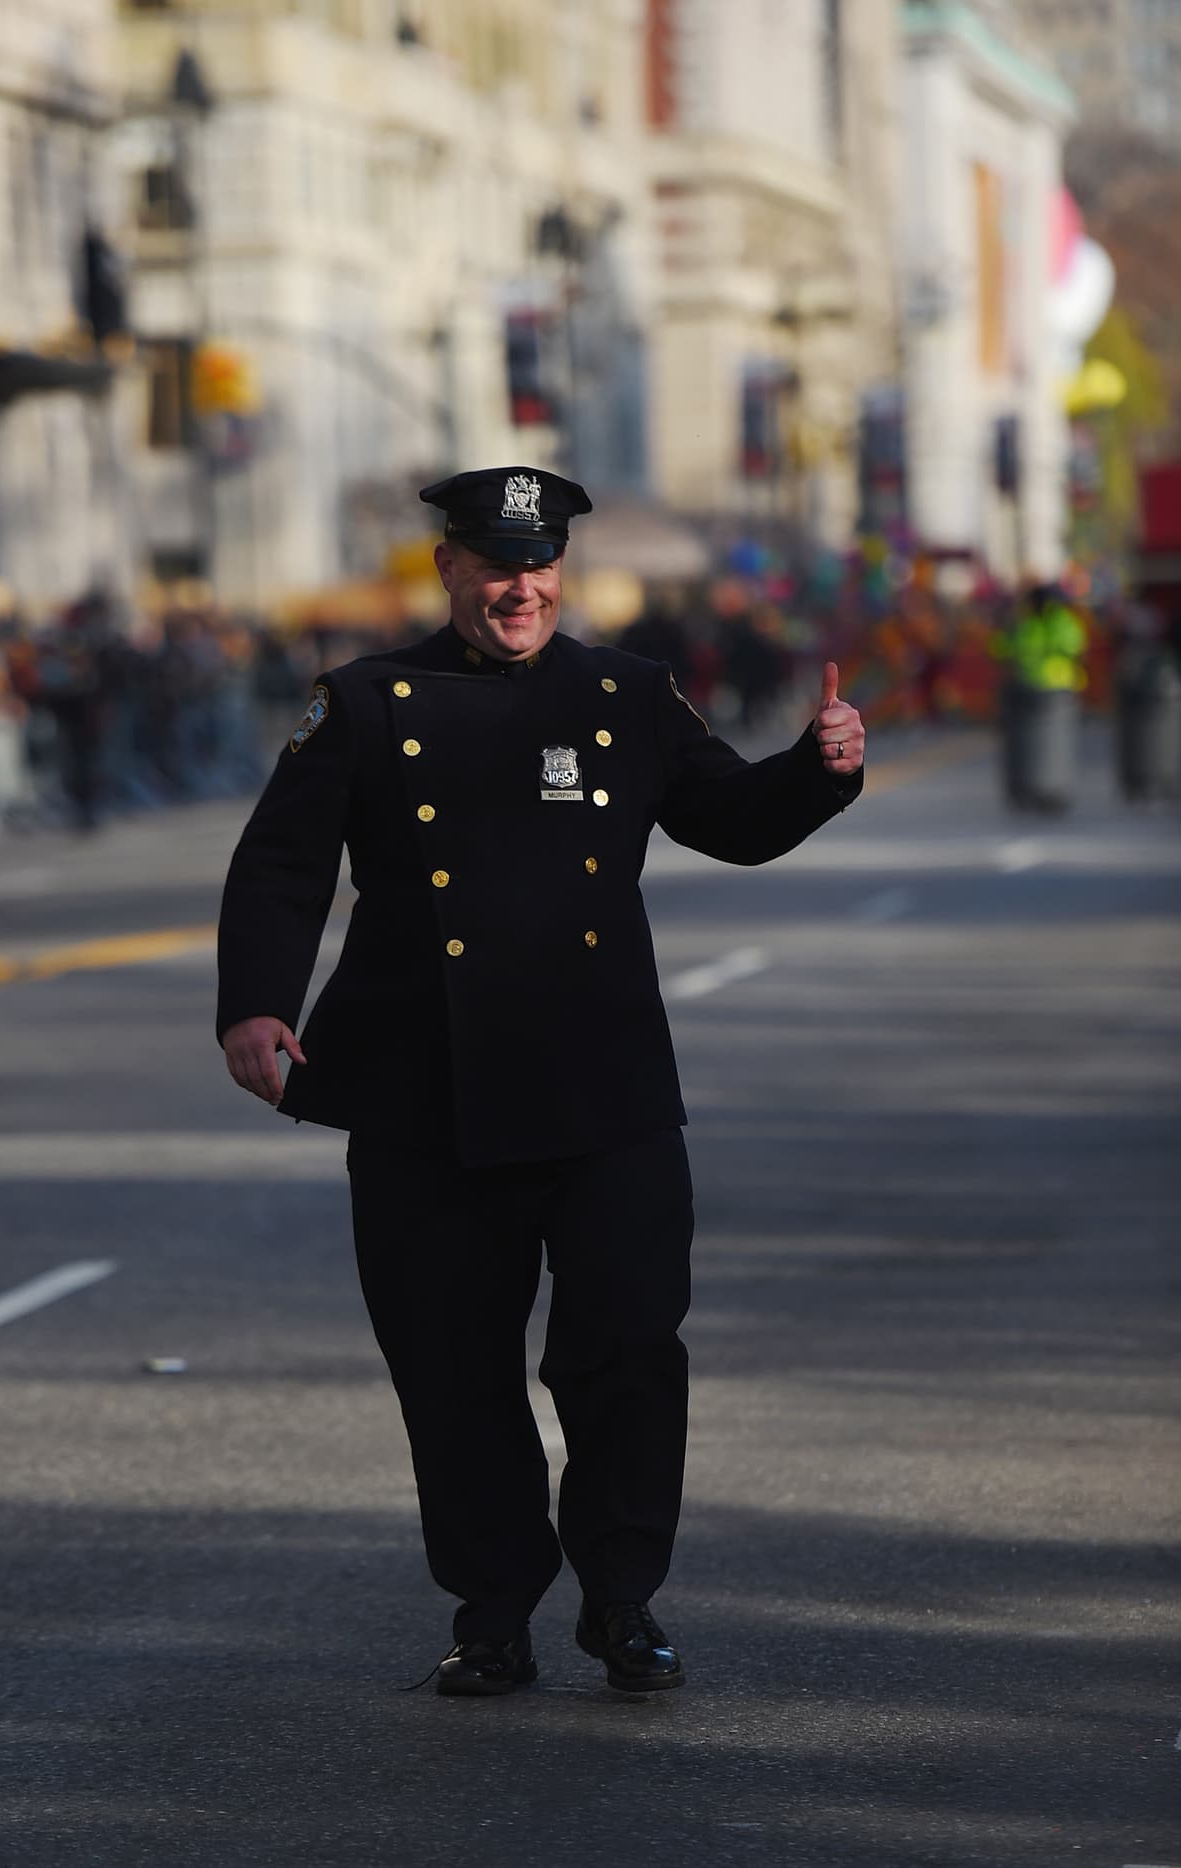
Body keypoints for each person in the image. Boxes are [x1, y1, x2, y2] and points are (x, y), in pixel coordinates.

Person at [216, 466, 865, 1697]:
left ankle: (622, 1599)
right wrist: (255, 1002)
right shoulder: (361, 701)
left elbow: (728, 816)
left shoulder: (624, 693)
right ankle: (492, 1608)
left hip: (600, 1085)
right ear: (451, 569)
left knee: (626, 1346)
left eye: (540, 567)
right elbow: (280, 867)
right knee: (451, 1366)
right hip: (425, 1095)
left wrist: (817, 767)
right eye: (496, 567)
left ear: (559, 571)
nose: (521, 588)